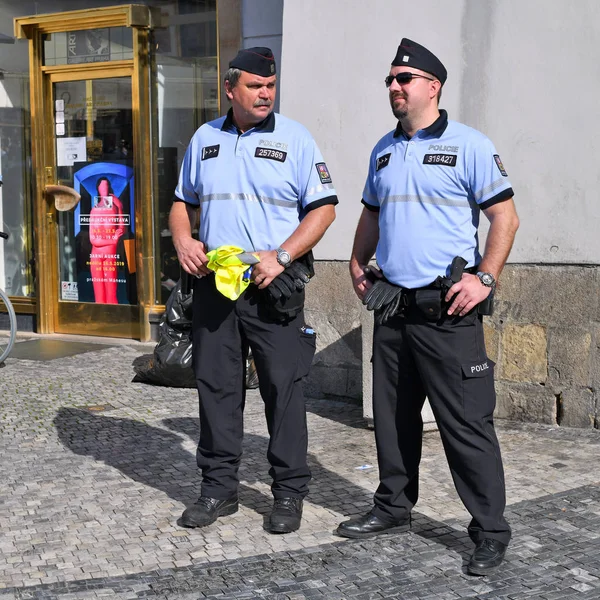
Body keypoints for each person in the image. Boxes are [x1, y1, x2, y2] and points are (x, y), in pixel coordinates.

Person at [336, 39, 519, 575]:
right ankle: (393, 507)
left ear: (432, 87)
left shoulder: (470, 146)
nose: (394, 87)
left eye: (404, 79)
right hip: (393, 306)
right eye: (390, 80)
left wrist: (486, 277)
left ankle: (489, 531)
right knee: (392, 421)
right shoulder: (383, 150)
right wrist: (354, 259)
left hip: (449, 310)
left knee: (465, 422)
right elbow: (371, 211)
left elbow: (505, 219)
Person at [169, 47, 337, 533]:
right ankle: (218, 490)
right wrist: (183, 238)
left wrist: (281, 255)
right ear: (230, 89)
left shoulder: (295, 138)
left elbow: (323, 209)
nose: (266, 93)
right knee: (216, 390)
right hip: (216, 288)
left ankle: (288, 493)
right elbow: (183, 202)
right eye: (255, 86)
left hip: (272, 285)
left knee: (284, 390)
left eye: (270, 85)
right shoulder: (204, 139)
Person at [89, 177, 125, 304]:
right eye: (101, 186)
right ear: (98, 189)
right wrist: (112, 240)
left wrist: (120, 207)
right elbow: (93, 239)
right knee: (99, 296)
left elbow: (121, 228)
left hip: (110, 254)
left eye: (106, 186)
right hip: (96, 255)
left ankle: (114, 319)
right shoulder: (93, 211)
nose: (104, 189)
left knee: (112, 295)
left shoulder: (115, 208)